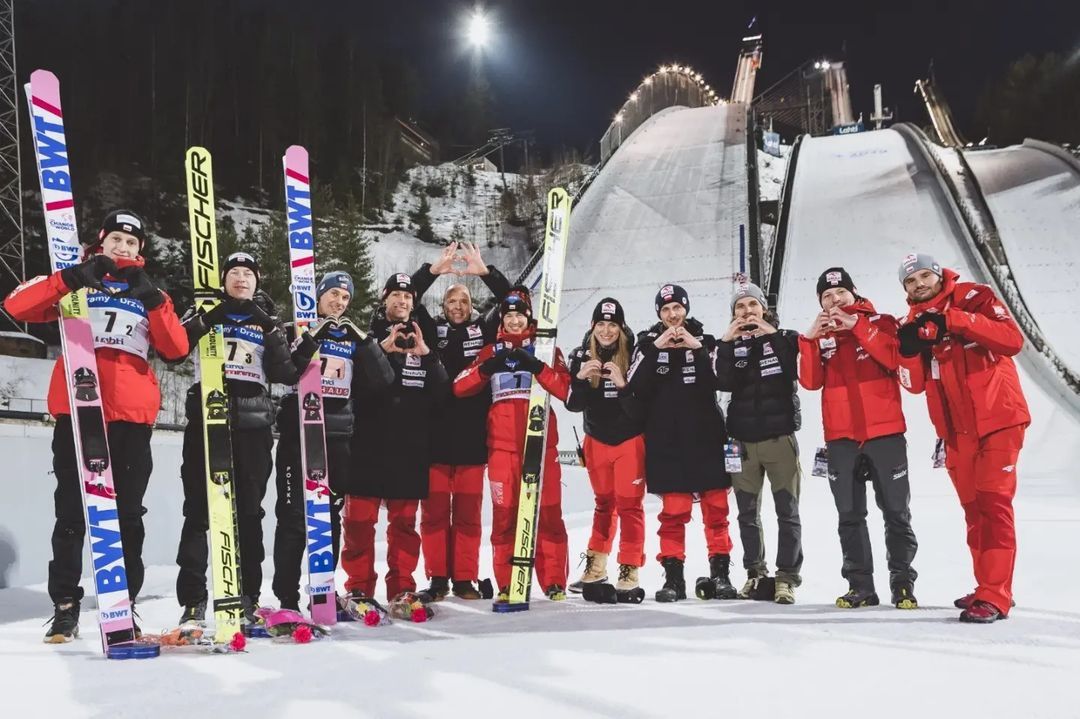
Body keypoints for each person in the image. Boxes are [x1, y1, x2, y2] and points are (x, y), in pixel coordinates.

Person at [4, 209, 189, 642]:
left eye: (132, 242)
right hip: (78, 409)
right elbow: (16, 305)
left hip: (131, 416)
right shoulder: (76, 280)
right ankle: (66, 604)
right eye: (116, 240)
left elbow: (177, 348)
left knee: (127, 515)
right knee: (71, 511)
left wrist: (155, 301)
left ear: (140, 251)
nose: (123, 248)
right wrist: (71, 277)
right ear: (101, 242)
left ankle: (124, 601)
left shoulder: (151, 293)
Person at [175, 252, 312, 624]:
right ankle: (192, 599)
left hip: (253, 428)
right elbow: (174, 349)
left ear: (257, 281)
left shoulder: (267, 318)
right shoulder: (204, 309)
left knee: (249, 514)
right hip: (207, 419)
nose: (241, 279)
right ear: (223, 279)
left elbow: (285, 373)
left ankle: (247, 594)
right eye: (234, 272)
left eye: (248, 273)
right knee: (199, 512)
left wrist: (270, 328)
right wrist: (207, 319)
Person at [896, 254, 1029, 623]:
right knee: (974, 512)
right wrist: (908, 353)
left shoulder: (975, 297)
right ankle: (989, 585)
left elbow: (1011, 340)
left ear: (939, 276)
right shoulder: (911, 322)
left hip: (998, 419)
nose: (919, 284)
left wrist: (954, 320)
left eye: (925, 275)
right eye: (910, 281)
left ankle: (995, 594)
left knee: (994, 505)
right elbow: (914, 385)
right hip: (956, 433)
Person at [270, 271, 393, 612]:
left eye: (345, 297)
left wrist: (365, 341)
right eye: (333, 294)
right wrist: (311, 339)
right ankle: (287, 597)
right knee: (294, 518)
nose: (338, 302)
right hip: (300, 434)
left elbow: (384, 379)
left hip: (338, 436)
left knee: (328, 515)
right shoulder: (297, 328)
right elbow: (281, 371)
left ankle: (322, 592)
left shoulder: (351, 338)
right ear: (319, 297)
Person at [798, 267, 919, 609]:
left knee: (896, 512)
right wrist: (808, 340)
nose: (835, 300)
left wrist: (858, 327)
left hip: (886, 435)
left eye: (840, 293)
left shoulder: (881, 322)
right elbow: (809, 381)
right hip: (842, 439)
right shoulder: (822, 336)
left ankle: (903, 584)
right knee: (849, 515)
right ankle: (860, 586)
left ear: (853, 293)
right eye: (827, 296)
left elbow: (894, 359)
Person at [453, 287, 571, 602]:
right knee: (505, 516)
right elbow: (459, 386)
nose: (515, 320)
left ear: (529, 317)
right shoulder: (490, 350)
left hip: (540, 443)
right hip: (502, 448)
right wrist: (486, 369)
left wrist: (538, 367)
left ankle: (554, 582)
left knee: (548, 514)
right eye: (509, 315)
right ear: (502, 319)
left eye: (520, 314)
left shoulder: (546, 349)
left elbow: (565, 390)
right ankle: (507, 583)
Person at [410, 242, 510, 600]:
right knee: (435, 517)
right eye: (452, 302)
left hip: (471, 443)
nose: (457, 307)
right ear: (443, 306)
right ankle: (437, 579)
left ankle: (465, 578)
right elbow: (407, 298)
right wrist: (434, 271)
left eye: (464, 302)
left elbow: (513, 301)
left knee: (468, 518)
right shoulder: (430, 330)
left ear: (472, 307)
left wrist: (485, 272)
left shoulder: (483, 330)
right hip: (434, 442)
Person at [341, 273, 449, 602]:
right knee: (359, 525)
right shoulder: (365, 335)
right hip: (367, 447)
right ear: (384, 299)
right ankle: (358, 587)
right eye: (396, 295)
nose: (402, 301)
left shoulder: (420, 337)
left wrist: (426, 354)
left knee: (403, 527)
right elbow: (352, 387)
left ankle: (402, 587)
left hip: (409, 449)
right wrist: (379, 351)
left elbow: (443, 394)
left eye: (408, 297)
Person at [628, 284, 735, 603]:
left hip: (706, 438)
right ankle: (674, 578)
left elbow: (723, 379)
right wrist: (656, 348)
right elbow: (634, 385)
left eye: (677, 308)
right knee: (674, 512)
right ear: (659, 315)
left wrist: (697, 348)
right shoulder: (646, 344)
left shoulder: (706, 341)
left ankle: (721, 575)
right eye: (665, 310)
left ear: (686, 309)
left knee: (717, 510)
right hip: (666, 442)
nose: (673, 315)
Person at [714, 282, 803, 604]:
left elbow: (793, 367)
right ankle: (755, 573)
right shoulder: (731, 344)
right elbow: (721, 380)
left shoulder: (785, 338)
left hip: (779, 440)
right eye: (740, 306)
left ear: (764, 308)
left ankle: (787, 578)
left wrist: (770, 334)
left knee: (787, 512)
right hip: (741, 443)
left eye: (752, 305)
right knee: (747, 515)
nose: (747, 311)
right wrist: (726, 343)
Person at [565, 298, 647, 601]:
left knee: (630, 506)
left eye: (612, 324)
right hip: (596, 440)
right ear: (592, 326)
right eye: (601, 324)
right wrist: (581, 378)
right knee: (603, 504)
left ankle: (630, 567)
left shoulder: (636, 354)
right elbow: (573, 404)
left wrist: (623, 384)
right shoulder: (581, 354)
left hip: (628, 440)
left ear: (621, 327)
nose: (607, 330)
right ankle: (596, 567)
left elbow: (641, 410)